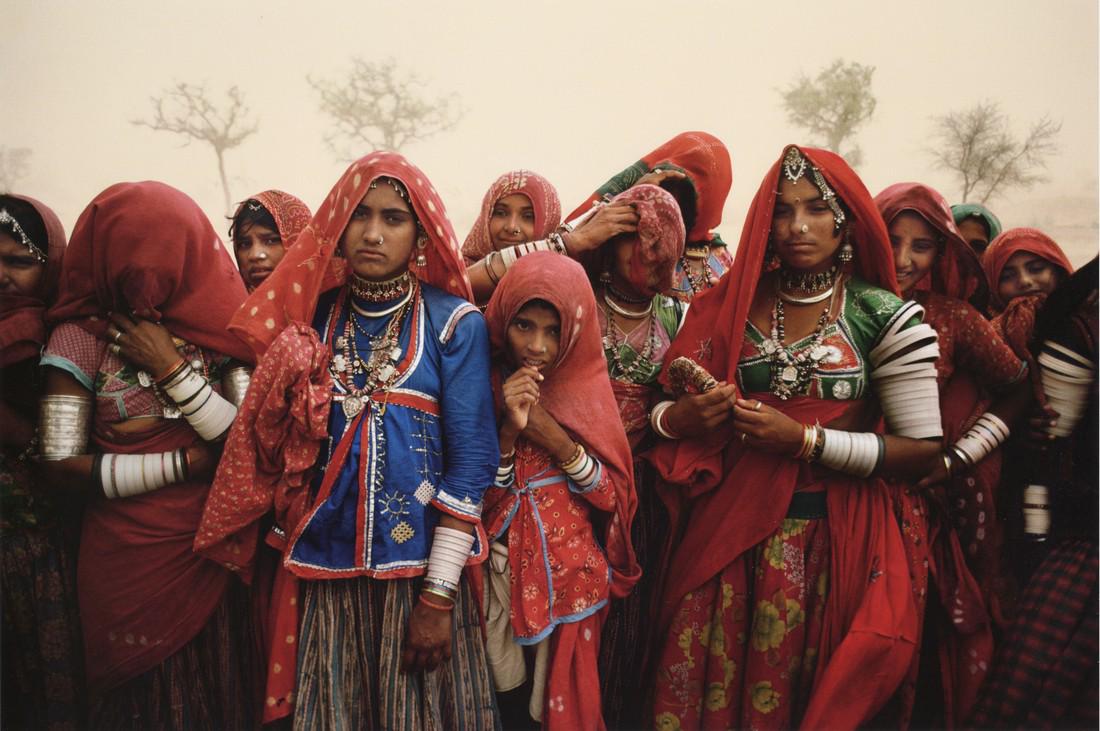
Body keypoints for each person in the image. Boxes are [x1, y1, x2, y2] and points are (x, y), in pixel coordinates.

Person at [195, 151, 501, 730]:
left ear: (420, 235)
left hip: (420, 577)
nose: (373, 233)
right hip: (326, 576)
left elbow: (472, 464)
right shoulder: (311, 322)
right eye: (360, 215)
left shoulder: (455, 323)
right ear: (337, 225)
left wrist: (438, 598)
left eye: (393, 218)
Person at [646, 146, 944, 730]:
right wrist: (680, 421)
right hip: (726, 535)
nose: (797, 226)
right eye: (782, 211)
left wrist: (807, 442)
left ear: (845, 220)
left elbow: (924, 452)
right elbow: (660, 406)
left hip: (833, 540)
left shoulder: (883, 315)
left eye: (814, 208)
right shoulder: (729, 305)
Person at [37, 181, 260, 729]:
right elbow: (59, 465)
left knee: (221, 693)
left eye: (161, 259)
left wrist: (172, 371)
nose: (144, 280)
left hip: (209, 553)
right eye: (128, 260)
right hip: (122, 562)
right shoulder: (77, 338)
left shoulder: (225, 329)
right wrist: (183, 464)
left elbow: (251, 447)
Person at [876, 182, 1030, 726]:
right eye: (892, 239)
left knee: (901, 639)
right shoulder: (834, 303)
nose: (902, 259)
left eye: (920, 246)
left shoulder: (952, 317)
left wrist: (960, 457)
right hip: (832, 497)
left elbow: (1018, 385)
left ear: (941, 254)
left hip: (914, 503)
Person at [480, 251, 638, 730]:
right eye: (523, 326)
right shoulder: (483, 385)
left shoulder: (587, 390)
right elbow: (482, 499)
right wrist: (509, 430)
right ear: (502, 319)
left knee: (557, 706)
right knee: (503, 696)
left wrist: (555, 439)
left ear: (575, 330)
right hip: (500, 573)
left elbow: (610, 498)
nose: (537, 346)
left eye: (553, 331)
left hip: (571, 577)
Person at [969, 257, 1098, 729]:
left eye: (1037, 267)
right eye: (1008, 270)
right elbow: (1050, 447)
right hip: (1074, 532)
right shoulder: (1076, 329)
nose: (1024, 282)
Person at [579, 183, 688, 729]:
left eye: (658, 240)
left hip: (639, 487)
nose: (646, 253)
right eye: (632, 238)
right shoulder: (576, 296)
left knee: (625, 619)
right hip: (567, 477)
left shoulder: (679, 318)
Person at [0, 194, 84, 730]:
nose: (3, 275)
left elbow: (58, 452)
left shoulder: (65, 340)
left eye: (20, 261)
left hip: (41, 546)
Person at [566, 131, 734, 302]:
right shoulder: (617, 231)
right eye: (664, 188)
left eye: (684, 195)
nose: (667, 203)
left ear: (711, 200)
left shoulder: (721, 260)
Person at [461, 169, 561, 266]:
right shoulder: (456, 275)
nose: (511, 227)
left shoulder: (561, 279)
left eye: (528, 216)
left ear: (548, 225)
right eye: (501, 213)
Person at [229, 190, 312, 291]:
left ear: (299, 243)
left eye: (271, 241)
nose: (255, 255)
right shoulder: (230, 304)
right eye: (244, 244)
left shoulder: (330, 302)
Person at [982, 227, 1074, 316]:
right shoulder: (978, 329)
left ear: (1059, 272)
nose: (1024, 281)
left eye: (1036, 269)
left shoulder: (1084, 320)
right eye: (1007, 276)